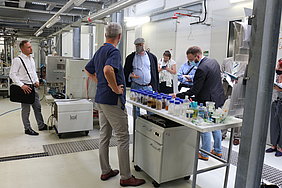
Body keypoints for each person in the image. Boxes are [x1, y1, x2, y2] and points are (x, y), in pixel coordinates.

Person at [84, 22, 145, 186]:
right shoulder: (114, 51)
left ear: (105, 35)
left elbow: (88, 70)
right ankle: (126, 177)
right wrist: (114, 88)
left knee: (104, 135)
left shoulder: (100, 51)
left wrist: (100, 83)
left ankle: (106, 171)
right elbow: (108, 70)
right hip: (112, 100)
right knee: (123, 137)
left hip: (101, 99)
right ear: (120, 36)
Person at [174, 46, 225, 161]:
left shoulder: (201, 68)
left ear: (198, 56)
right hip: (217, 98)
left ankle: (205, 153)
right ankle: (218, 151)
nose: (191, 62)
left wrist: (177, 95)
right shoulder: (214, 62)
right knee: (215, 124)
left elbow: (195, 90)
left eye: (192, 60)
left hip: (206, 101)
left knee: (204, 125)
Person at [9, 40, 49, 136]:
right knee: (26, 110)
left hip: (33, 87)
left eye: (31, 46)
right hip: (25, 88)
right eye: (28, 47)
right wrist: (21, 85)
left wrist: (36, 81)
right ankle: (27, 128)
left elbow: (33, 72)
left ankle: (41, 125)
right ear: (22, 49)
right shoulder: (17, 60)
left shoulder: (31, 59)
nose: (31, 48)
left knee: (37, 107)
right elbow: (12, 74)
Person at [124, 37, 159, 116]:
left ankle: (151, 125)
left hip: (148, 87)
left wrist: (156, 88)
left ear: (144, 45)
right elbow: (125, 71)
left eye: (141, 44)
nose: (139, 46)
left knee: (151, 108)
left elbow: (155, 73)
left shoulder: (152, 57)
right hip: (136, 85)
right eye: (137, 45)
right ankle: (136, 126)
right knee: (136, 108)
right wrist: (130, 75)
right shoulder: (130, 58)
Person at [221, 57, 247, 145]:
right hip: (227, 88)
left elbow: (248, 76)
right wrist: (225, 77)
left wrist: (239, 79)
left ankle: (236, 136)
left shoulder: (246, 62)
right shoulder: (226, 60)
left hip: (239, 88)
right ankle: (222, 133)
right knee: (225, 110)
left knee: (238, 113)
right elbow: (221, 73)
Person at [265, 59, 282, 157]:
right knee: (274, 124)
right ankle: (274, 145)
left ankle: (281, 147)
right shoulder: (277, 74)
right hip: (276, 100)